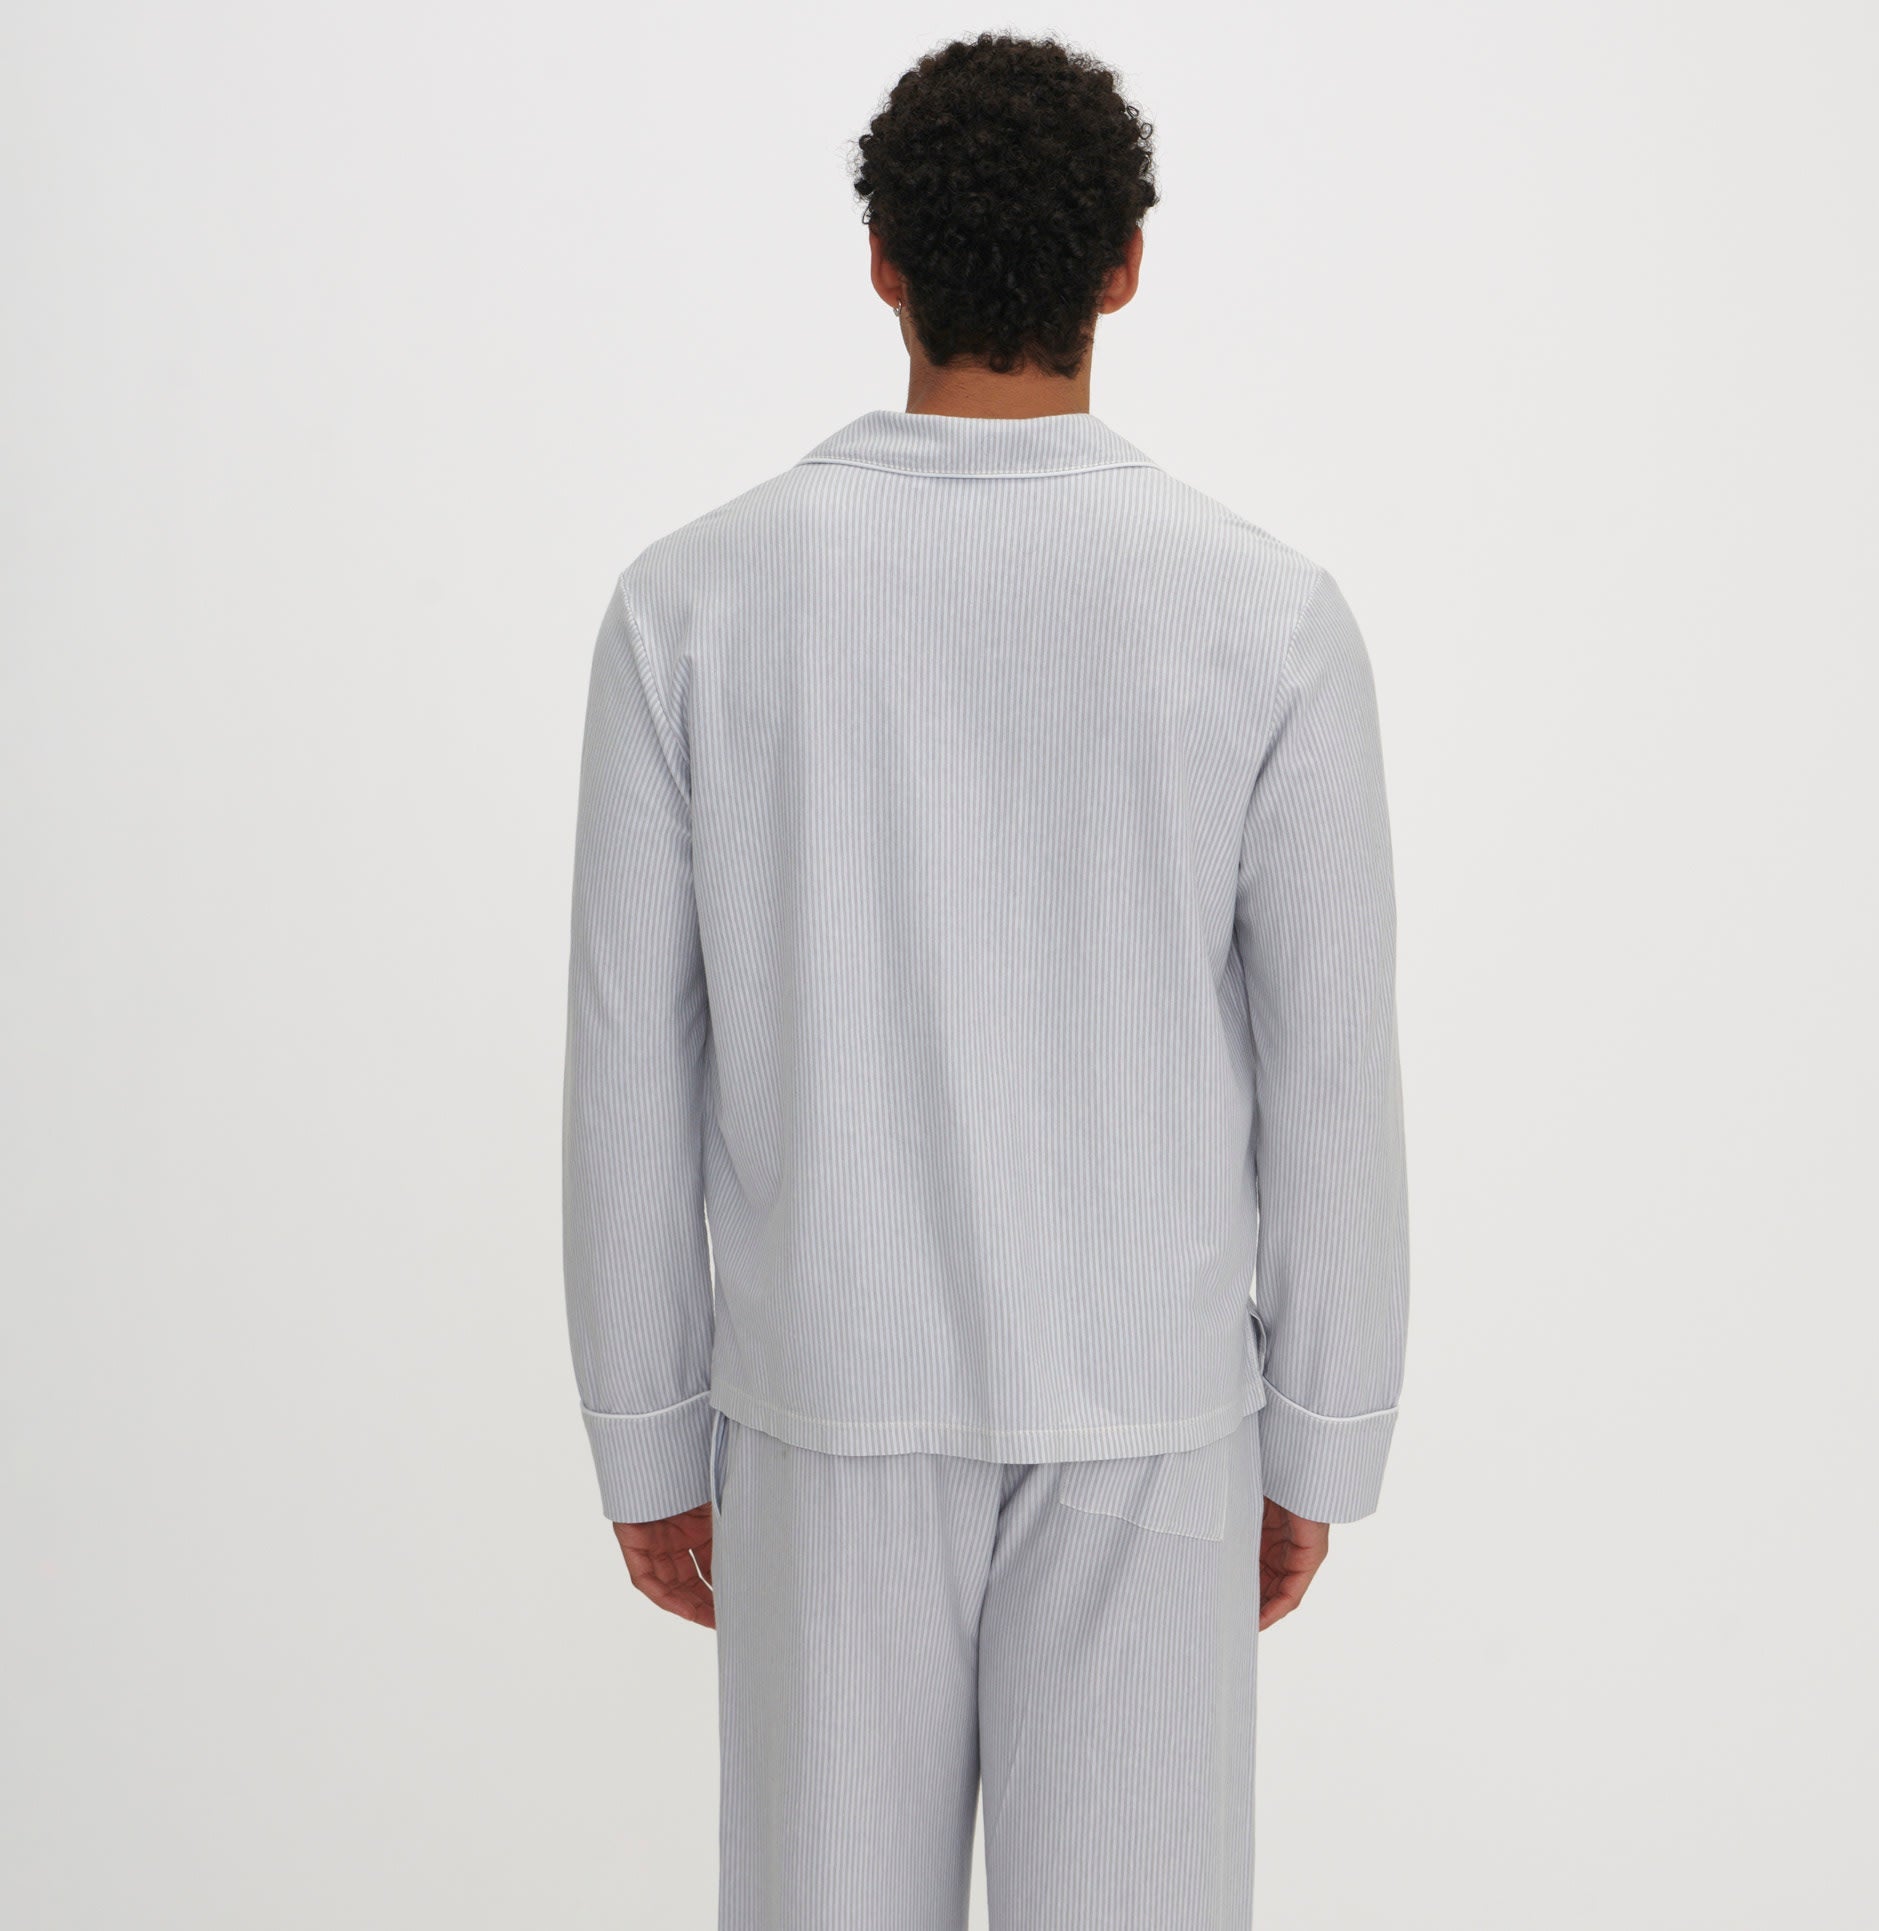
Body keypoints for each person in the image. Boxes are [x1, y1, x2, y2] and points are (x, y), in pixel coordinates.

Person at [561, 30, 1408, 1931]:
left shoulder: (689, 607)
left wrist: (644, 1427)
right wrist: (1323, 1431)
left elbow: (630, 1058)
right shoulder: (1266, 617)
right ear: (1126, 265)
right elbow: (1334, 1069)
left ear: (881, 262)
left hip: (820, 1400)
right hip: (1153, 1409)